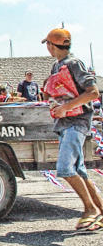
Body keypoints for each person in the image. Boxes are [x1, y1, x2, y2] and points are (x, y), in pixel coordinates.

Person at [42, 28, 103, 231]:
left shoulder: (74, 64)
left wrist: (66, 107)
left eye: (48, 44)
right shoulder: (56, 66)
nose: (48, 48)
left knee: (65, 168)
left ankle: (89, 209)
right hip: (65, 123)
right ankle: (101, 211)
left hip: (76, 122)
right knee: (79, 171)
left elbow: (93, 92)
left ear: (52, 45)